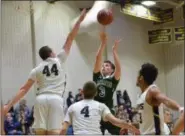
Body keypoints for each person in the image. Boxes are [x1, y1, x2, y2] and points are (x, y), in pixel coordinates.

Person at [3, 9, 87, 135]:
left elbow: (23, 89)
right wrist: (79, 20)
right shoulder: (59, 59)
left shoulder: (36, 69)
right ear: (52, 53)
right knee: (54, 133)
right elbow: (70, 38)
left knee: (40, 133)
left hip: (40, 99)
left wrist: (8, 106)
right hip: (55, 99)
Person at [60, 81, 140, 135]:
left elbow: (63, 129)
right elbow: (115, 122)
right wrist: (131, 127)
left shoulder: (72, 107)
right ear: (96, 94)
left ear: (82, 92)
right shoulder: (100, 106)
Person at [136, 63, 184, 135]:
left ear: (141, 78)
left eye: (138, 75)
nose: (136, 77)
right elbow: (144, 121)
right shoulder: (141, 96)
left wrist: (179, 108)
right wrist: (131, 126)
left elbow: (166, 100)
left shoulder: (152, 90)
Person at [93, 28, 122, 135]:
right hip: (96, 113)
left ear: (111, 70)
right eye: (103, 65)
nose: (103, 67)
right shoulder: (97, 77)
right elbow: (97, 58)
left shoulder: (113, 80)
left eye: (107, 65)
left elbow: (119, 69)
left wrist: (114, 51)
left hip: (108, 112)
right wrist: (103, 43)